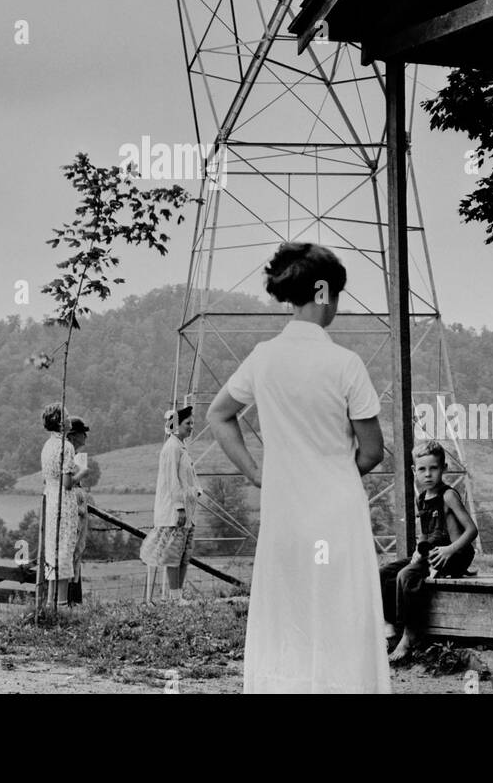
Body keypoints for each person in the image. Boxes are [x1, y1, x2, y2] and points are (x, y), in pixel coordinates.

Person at [208, 241, 391, 693]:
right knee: (341, 612)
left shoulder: (263, 358)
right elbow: (372, 452)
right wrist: (332, 473)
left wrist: (257, 473)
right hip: (336, 512)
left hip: (286, 508)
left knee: (288, 612)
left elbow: (219, 414)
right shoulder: (345, 364)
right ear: (324, 291)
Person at [389, 439, 478, 663]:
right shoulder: (422, 498)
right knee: (386, 573)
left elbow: (471, 530)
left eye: (434, 468)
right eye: (422, 469)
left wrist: (450, 550)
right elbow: (427, 534)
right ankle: (395, 626)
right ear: (414, 471)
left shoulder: (448, 495)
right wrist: (419, 551)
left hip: (455, 554)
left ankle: (410, 635)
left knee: (406, 575)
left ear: (444, 469)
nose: (428, 474)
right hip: (433, 553)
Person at [140, 404, 201, 604]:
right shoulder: (172, 448)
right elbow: (172, 480)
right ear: (176, 425)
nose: (190, 427)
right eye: (187, 423)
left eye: (192, 423)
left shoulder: (182, 447)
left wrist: (196, 492)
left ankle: (178, 594)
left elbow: (189, 476)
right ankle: (174, 596)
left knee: (184, 553)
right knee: (173, 553)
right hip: (174, 511)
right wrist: (179, 507)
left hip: (187, 509)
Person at [40, 403, 82, 608]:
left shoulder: (47, 446)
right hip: (64, 502)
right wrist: (81, 473)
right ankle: (63, 602)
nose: (68, 419)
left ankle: (50, 600)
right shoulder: (66, 446)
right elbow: (67, 483)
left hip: (50, 499)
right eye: (65, 416)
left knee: (52, 548)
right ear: (59, 422)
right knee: (65, 548)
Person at [66, 416, 97, 605]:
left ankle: (72, 597)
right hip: (73, 512)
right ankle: (70, 598)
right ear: (73, 436)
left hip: (79, 511)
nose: (85, 436)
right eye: (82, 433)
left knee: (77, 553)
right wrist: (83, 474)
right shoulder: (69, 456)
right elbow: (67, 483)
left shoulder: (73, 455)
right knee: (72, 553)